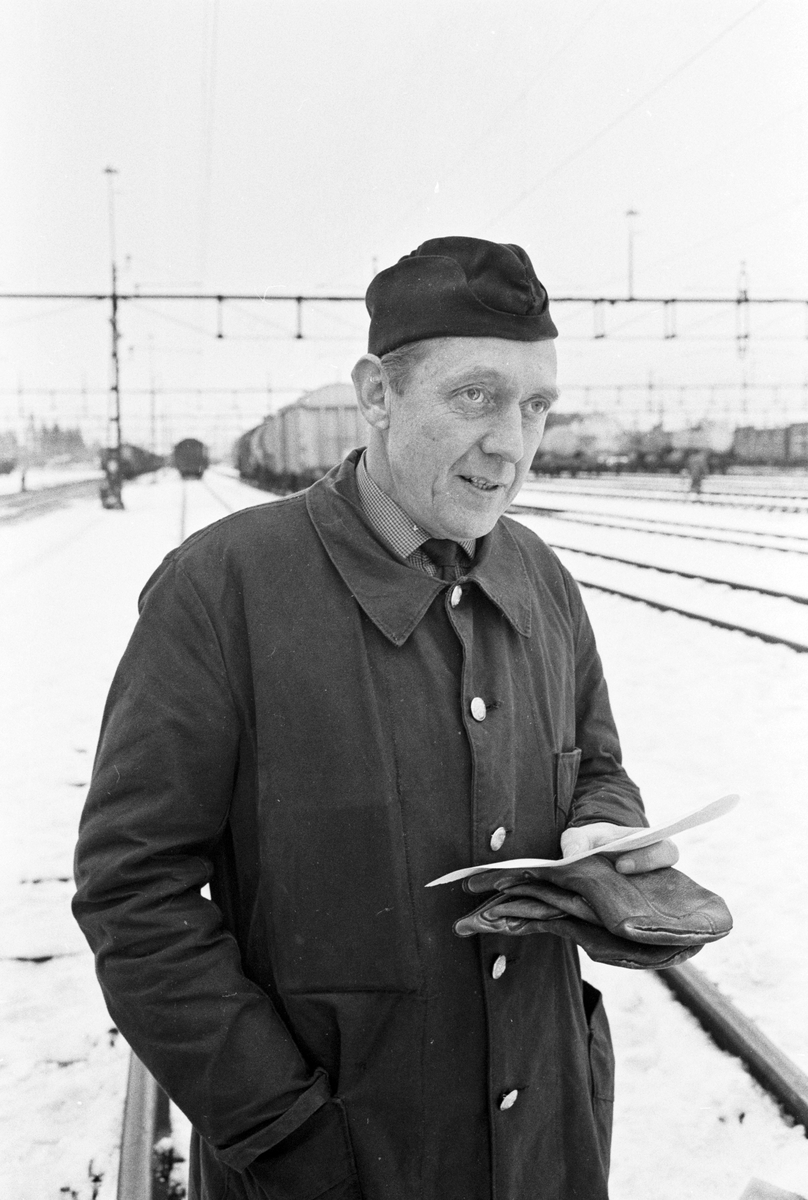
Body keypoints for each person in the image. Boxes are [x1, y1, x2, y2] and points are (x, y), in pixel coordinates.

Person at [73, 237, 677, 1200]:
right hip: (333, 1158)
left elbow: (596, 764)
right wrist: (284, 1129)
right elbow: (133, 893)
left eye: (535, 406)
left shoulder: (541, 577)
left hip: (544, 1145)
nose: (512, 444)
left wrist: (603, 829)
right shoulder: (222, 589)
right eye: (474, 396)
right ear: (377, 393)